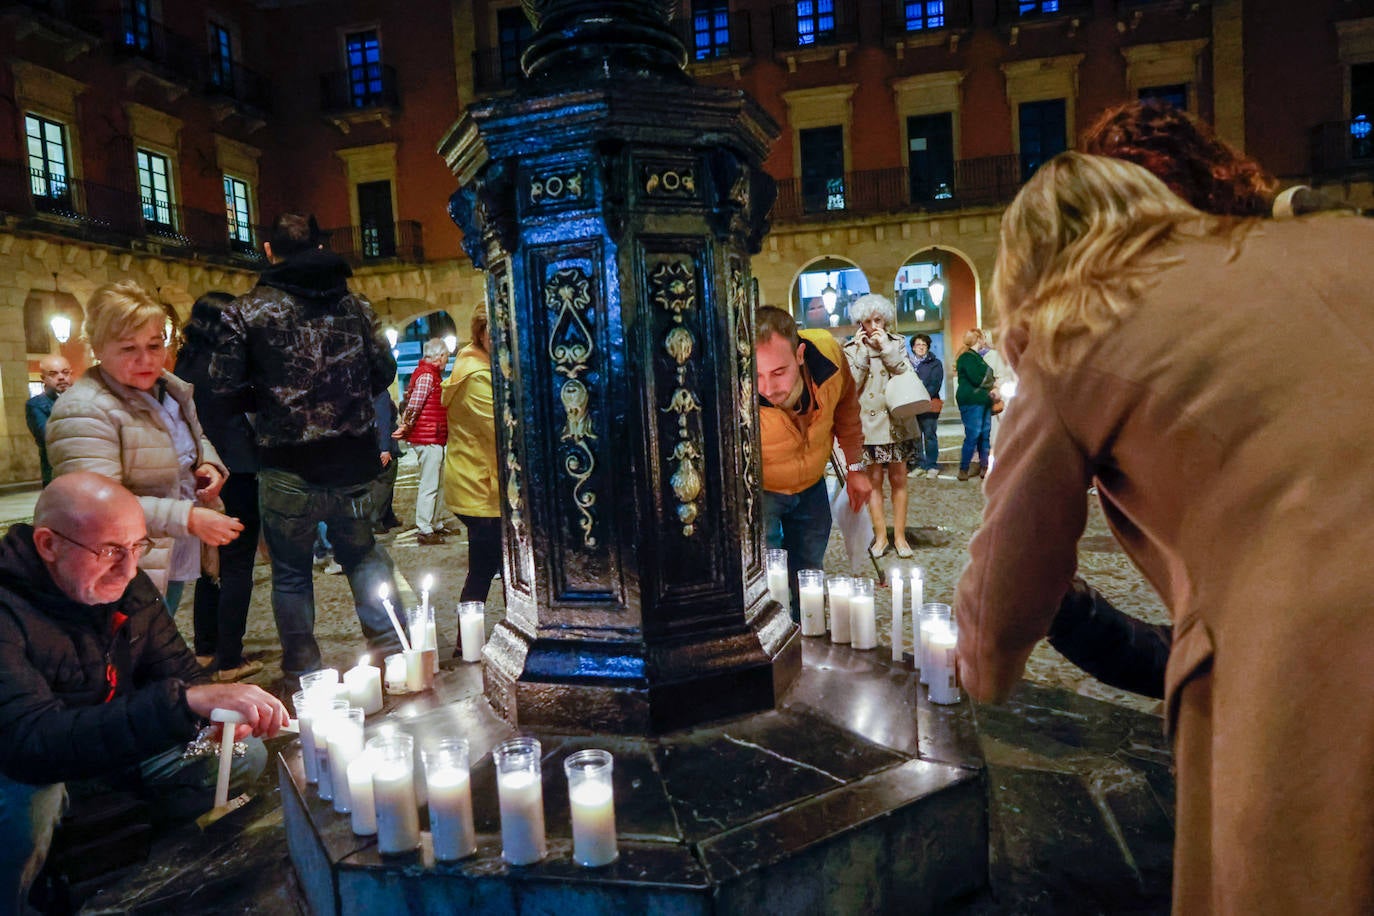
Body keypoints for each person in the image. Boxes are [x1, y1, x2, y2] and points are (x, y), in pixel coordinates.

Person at [956, 151, 1374, 913]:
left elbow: (994, 623)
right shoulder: (1338, 239)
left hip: (1323, 659)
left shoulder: (1074, 325)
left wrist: (980, 659)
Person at [0, 473, 288, 913]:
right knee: (30, 800)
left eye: (139, 547)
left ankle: (152, 869)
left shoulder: (126, 586)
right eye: (111, 550)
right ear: (48, 544)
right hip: (37, 767)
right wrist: (183, 703)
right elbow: (30, 741)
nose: (130, 569)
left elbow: (181, 677)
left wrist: (213, 714)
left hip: (109, 748)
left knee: (239, 751)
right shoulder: (8, 611)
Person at [209, 212, 404, 691]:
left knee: (292, 574)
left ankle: (304, 673)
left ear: (269, 250)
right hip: (352, 462)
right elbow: (383, 371)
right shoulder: (355, 306)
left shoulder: (244, 311)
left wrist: (269, 399)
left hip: (286, 465)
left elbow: (222, 383)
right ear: (319, 246)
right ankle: (395, 654)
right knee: (363, 555)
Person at [46, 281, 243, 614]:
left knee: (156, 642)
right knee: (128, 653)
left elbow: (191, 438)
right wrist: (189, 517)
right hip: (118, 566)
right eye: (128, 349)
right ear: (98, 345)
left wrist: (207, 464)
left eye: (154, 345)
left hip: (164, 553)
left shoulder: (167, 389)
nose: (146, 359)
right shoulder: (84, 409)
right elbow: (96, 507)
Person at [755, 305, 870, 620]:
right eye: (758, 373)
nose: (768, 387)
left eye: (779, 371)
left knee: (809, 572)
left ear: (800, 353)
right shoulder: (737, 386)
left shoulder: (830, 358)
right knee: (767, 575)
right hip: (762, 491)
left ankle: (810, 636)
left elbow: (847, 407)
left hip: (812, 485)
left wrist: (855, 468)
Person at [173, 291, 263, 682]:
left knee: (207, 564)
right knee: (238, 562)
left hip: (200, 469)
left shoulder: (184, 361)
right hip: (237, 467)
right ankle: (230, 659)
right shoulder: (227, 362)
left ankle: (206, 648)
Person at [841, 294, 918, 558]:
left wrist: (887, 348)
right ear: (860, 324)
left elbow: (903, 371)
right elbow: (850, 385)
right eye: (867, 321)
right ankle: (881, 537)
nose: (873, 326)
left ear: (885, 320)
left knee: (899, 478)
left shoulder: (897, 343)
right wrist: (862, 354)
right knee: (873, 481)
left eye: (878, 320)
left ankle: (900, 536)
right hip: (869, 425)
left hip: (896, 421)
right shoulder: (851, 348)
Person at [442, 307, 501, 635]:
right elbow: (503, 431)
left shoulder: (484, 366)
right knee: (482, 569)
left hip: (485, 486)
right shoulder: (476, 375)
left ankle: (477, 641)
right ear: (479, 333)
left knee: (500, 566)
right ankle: (467, 644)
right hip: (480, 488)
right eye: (493, 331)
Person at [395, 338, 450, 545]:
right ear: (438, 356)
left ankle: (433, 524)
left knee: (436, 482)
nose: (446, 360)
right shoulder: (428, 376)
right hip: (428, 438)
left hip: (432, 437)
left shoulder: (430, 374)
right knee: (429, 484)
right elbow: (415, 404)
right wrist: (405, 426)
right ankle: (425, 528)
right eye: (445, 356)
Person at [952, 328, 994, 481]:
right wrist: (990, 378)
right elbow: (979, 378)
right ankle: (964, 469)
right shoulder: (969, 357)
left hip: (980, 400)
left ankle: (983, 467)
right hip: (974, 401)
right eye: (982, 338)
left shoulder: (972, 357)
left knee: (983, 435)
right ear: (978, 339)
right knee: (974, 435)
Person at [25, 355, 73, 487]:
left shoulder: (84, 399)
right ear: (43, 378)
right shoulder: (36, 405)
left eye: (65, 372)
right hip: (56, 474)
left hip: (87, 472)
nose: (61, 377)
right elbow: (48, 436)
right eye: (53, 374)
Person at [910, 334, 943, 479]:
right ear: (912, 347)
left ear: (928, 347)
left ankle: (932, 465)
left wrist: (921, 398)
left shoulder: (935, 363)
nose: (921, 347)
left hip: (928, 404)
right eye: (918, 345)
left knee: (930, 435)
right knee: (916, 437)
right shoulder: (908, 364)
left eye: (924, 344)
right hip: (912, 405)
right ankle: (920, 464)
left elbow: (935, 384)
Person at [372, 391, 404, 534]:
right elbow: (382, 421)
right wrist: (384, 448)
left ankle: (388, 517)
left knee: (385, 482)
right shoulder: (381, 394)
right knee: (384, 481)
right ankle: (376, 520)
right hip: (384, 444)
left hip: (373, 443)